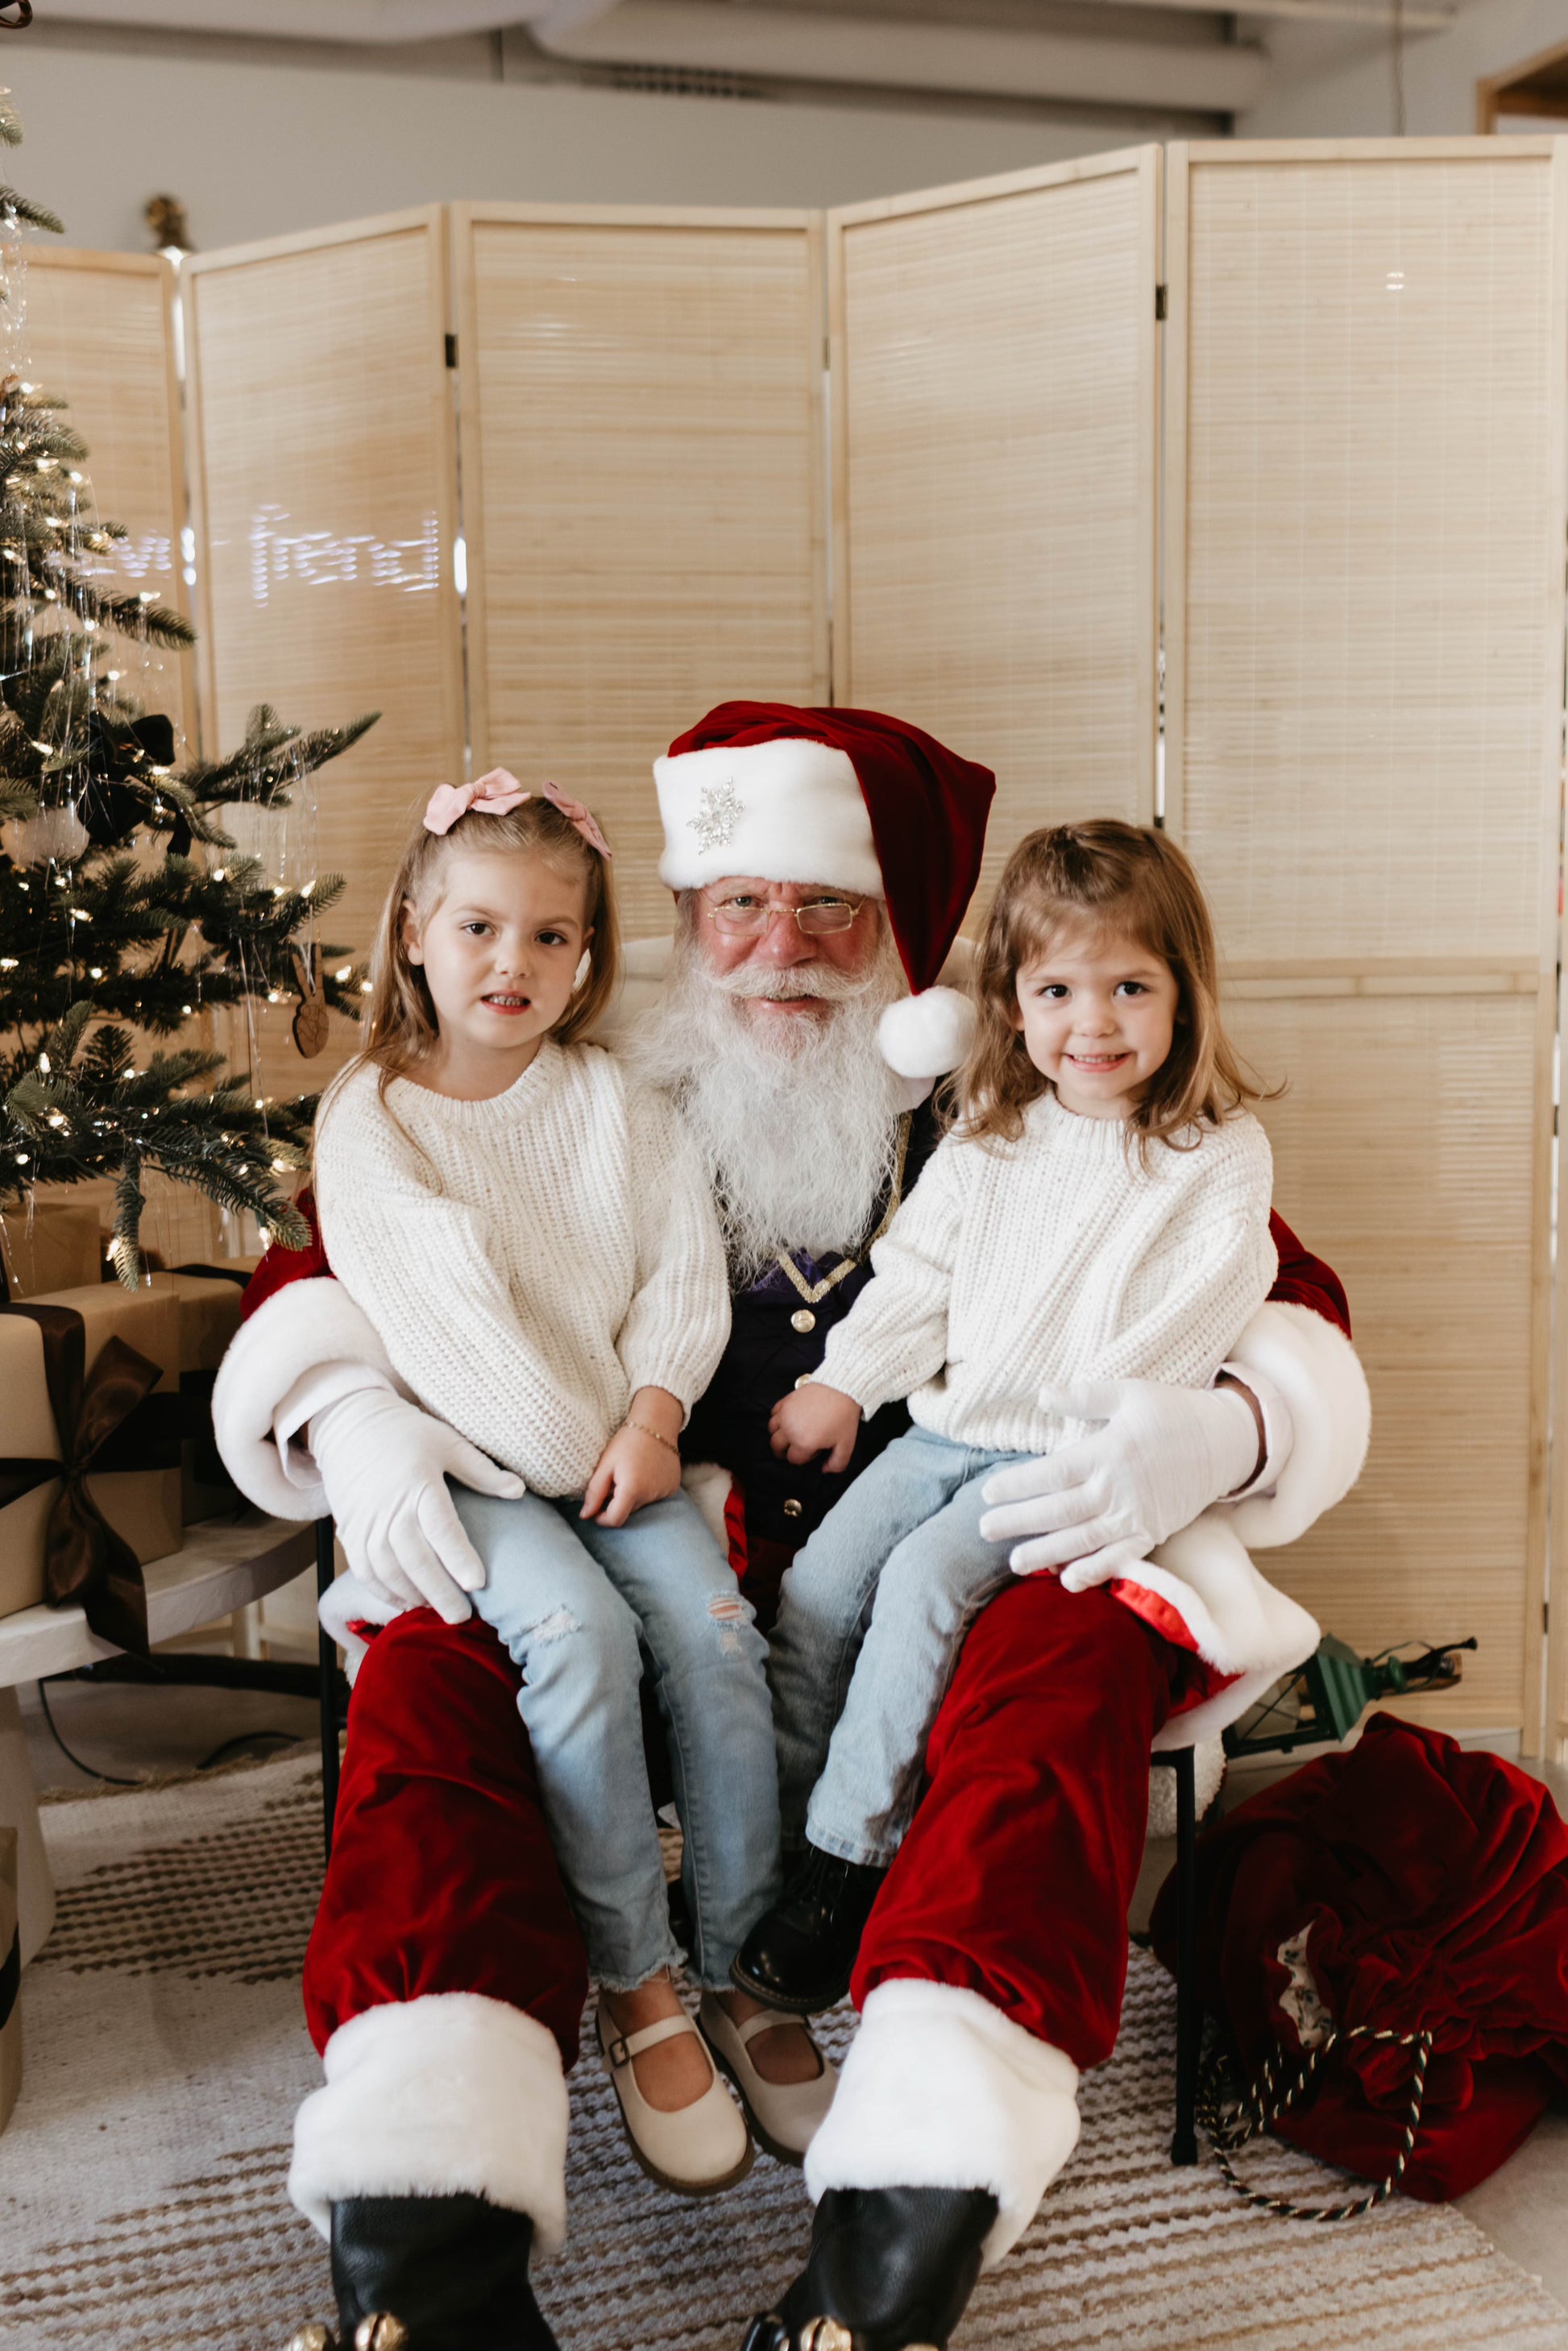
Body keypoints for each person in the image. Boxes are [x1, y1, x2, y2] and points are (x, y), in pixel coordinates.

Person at [214, 703, 1369, 2351]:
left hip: (985, 1516)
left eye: (829, 909)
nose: (779, 951)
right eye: (735, 903)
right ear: (678, 924)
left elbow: (1267, 1271)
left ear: (905, 934)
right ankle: (425, 2238)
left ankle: (899, 2238)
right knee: (433, 1652)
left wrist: (1233, 1422)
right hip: (606, 1513)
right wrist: (351, 1409)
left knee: (1057, 1663)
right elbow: (329, 1265)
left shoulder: (1026, 1074)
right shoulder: (589, 1085)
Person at [309, 767, 828, 2213]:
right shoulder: (373, 1118)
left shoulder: (612, 1097)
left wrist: (656, 1414)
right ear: (414, 928)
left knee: (719, 1641)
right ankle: (635, 1975)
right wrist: (587, 1450)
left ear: (590, 955)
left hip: (625, 1446)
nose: (512, 964)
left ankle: (737, 1962)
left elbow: (679, 1271)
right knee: (581, 1642)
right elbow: (448, 1321)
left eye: (551, 937)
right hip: (476, 1465)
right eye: (478, 927)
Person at [736, 820, 1292, 2017]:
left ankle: (846, 1866)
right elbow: (918, 1274)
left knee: (924, 1586)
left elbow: (1198, 1310)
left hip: (1061, 1459)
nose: (1091, 1025)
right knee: (822, 1586)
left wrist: (1107, 1431)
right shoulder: (993, 1140)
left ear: (1183, 995)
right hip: (944, 1432)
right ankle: (777, 1846)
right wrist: (845, 1381)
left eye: (1128, 987)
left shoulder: (1210, 1156)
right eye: (1057, 990)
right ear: (1013, 1000)